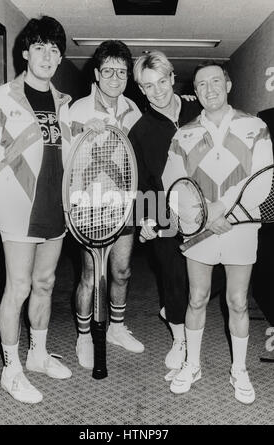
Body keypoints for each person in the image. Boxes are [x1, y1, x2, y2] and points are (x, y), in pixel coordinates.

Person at [161, 61, 273, 404]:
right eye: (201, 85)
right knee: (196, 298)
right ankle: (192, 364)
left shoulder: (255, 126)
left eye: (215, 82)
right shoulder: (183, 134)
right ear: (195, 92)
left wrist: (227, 213)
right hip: (201, 230)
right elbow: (173, 185)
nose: (209, 90)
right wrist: (206, 216)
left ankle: (239, 370)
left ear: (228, 84)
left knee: (238, 302)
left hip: (241, 227)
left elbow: (264, 180)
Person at [0, 16, 73, 404]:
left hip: (55, 208)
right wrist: (1, 201)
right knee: (18, 287)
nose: (48, 56)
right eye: (41, 48)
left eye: (55, 50)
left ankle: (38, 355)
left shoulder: (63, 104)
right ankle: (10, 369)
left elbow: (65, 155)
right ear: (26, 52)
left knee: (45, 283)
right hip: (19, 210)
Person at [69, 40, 144, 369]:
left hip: (123, 202)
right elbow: (63, 156)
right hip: (88, 202)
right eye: (109, 71)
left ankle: (116, 327)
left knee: (122, 271)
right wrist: (82, 130)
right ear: (97, 73)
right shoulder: (77, 109)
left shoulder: (134, 110)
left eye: (122, 72)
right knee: (90, 274)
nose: (115, 77)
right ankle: (84, 335)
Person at [128, 51, 201, 380]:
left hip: (206, 210)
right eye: (148, 86)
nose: (157, 91)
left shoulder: (200, 111)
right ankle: (180, 339)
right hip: (166, 214)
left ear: (172, 78)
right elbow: (142, 182)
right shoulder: (140, 131)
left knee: (212, 279)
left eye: (162, 81)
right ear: (141, 91)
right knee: (173, 279)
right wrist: (147, 220)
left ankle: (178, 313)